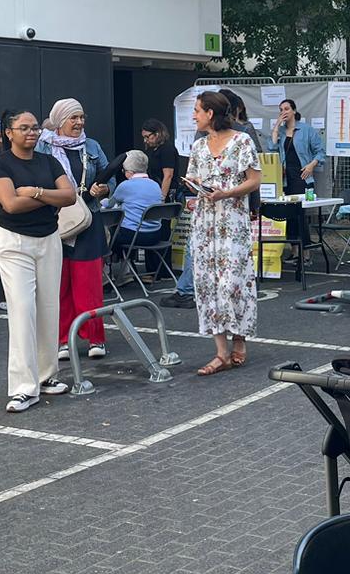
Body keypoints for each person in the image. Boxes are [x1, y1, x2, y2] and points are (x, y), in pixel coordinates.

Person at [0, 109, 76, 413]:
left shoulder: (48, 161)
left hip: (48, 239)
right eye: (23, 128)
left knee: (49, 308)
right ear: (8, 132)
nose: (31, 132)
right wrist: (49, 197)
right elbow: (10, 204)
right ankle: (23, 387)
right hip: (14, 242)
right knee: (23, 310)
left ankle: (47, 375)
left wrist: (35, 192)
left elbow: (70, 196)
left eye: (35, 127)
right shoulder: (0, 164)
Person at [184, 91, 261, 375]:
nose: (194, 116)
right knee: (208, 283)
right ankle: (221, 353)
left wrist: (227, 193)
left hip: (232, 220)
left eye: (197, 110)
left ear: (210, 114)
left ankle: (239, 337)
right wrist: (195, 185)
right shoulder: (199, 145)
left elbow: (255, 180)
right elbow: (193, 175)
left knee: (233, 281)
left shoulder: (242, 141)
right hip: (205, 222)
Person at [36, 99, 111, 363]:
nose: (79, 122)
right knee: (58, 285)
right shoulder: (42, 146)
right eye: (73, 118)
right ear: (59, 120)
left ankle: (95, 338)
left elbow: (109, 177)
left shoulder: (92, 146)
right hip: (55, 221)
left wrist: (105, 189)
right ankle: (61, 340)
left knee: (89, 283)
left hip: (87, 219)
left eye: (81, 117)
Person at [106, 149, 172, 275]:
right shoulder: (156, 185)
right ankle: (127, 266)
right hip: (155, 234)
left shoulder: (125, 186)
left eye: (124, 170)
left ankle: (112, 268)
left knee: (109, 234)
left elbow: (110, 204)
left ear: (129, 172)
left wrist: (102, 201)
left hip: (133, 236)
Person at [102, 117, 180, 200]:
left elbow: (168, 175)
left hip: (168, 193)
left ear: (157, 134)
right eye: (144, 137)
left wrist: (162, 197)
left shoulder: (167, 149)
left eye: (147, 137)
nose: (145, 140)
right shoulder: (154, 149)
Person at [268, 99, 327, 197]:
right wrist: (277, 126)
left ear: (294, 111)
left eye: (286, 109)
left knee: (302, 205)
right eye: (281, 110)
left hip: (303, 175)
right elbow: (272, 148)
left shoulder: (306, 129)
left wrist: (311, 165)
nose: (283, 112)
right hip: (284, 178)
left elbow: (321, 151)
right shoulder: (281, 131)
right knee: (286, 205)